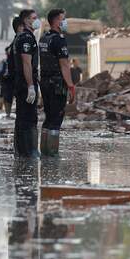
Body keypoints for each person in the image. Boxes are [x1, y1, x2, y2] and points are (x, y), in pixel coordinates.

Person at [38, 8, 75, 156]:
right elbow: (64, 65)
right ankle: (53, 153)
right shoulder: (59, 40)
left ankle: (44, 151)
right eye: (63, 19)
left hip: (45, 82)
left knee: (48, 117)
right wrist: (71, 86)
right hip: (57, 84)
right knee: (56, 118)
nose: (65, 22)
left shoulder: (43, 38)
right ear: (56, 21)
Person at [13, 8, 41, 158]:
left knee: (23, 116)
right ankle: (28, 151)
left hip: (22, 81)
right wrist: (30, 86)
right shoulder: (26, 38)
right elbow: (26, 63)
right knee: (28, 117)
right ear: (26, 20)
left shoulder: (24, 37)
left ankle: (22, 151)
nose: (37, 21)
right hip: (25, 83)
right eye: (34, 18)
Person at [0, 16, 22, 117]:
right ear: (19, 27)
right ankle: (8, 114)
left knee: (9, 95)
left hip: (13, 73)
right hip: (14, 73)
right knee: (10, 95)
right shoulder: (18, 40)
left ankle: (8, 114)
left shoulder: (16, 40)